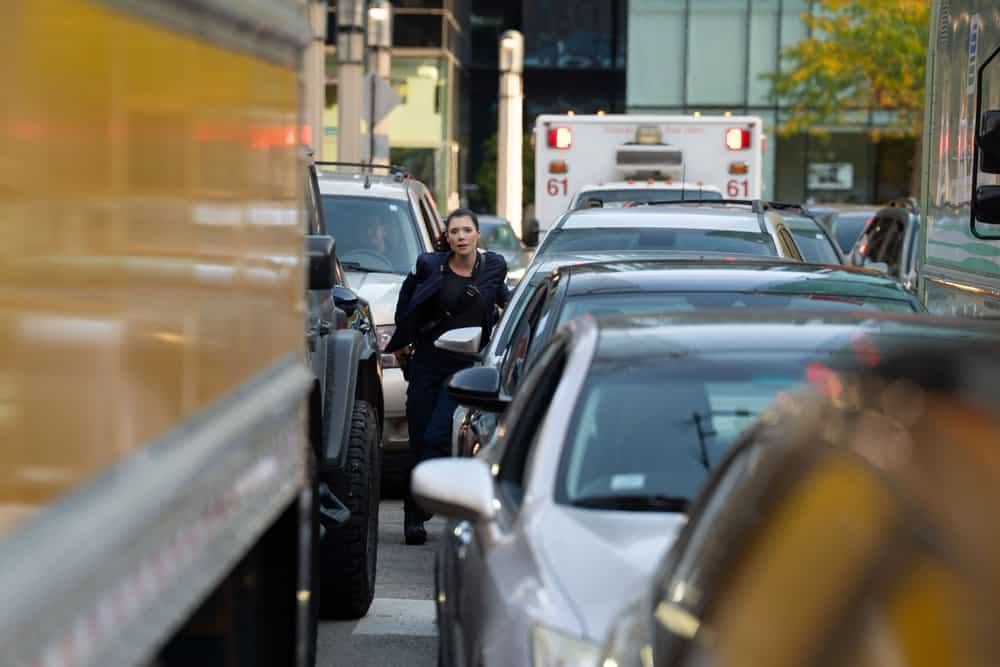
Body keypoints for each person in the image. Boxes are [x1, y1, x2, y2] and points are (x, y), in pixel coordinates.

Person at [385, 208, 510, 544]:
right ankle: (414, 518)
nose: (461, 237)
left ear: (477, 234)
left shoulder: (494, 267)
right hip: (427, 360)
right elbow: (405, 304)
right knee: (419, 435)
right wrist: (403, 340)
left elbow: (506, 306)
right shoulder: (429, 265)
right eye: (454, 232)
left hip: (464, 366)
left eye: (467, 230)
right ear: (448, 236)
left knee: (437, 435)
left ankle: (425, 501)